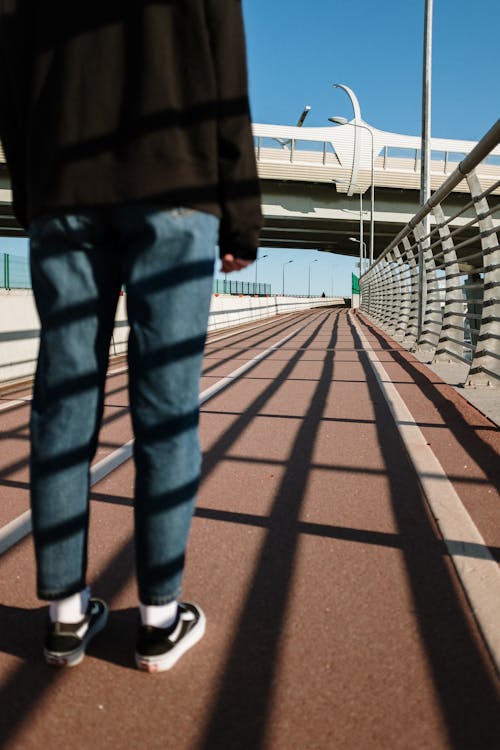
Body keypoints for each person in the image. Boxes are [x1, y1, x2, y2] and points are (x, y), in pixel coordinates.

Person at [0, 1, 261, 672]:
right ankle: (159, 620)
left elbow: (10, 73)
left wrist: (33, 196)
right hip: (175, 183)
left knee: (63, 403)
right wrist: (241, 216)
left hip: (66, 189)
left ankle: (64, 616)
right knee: (167, 410)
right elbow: (225, 77)